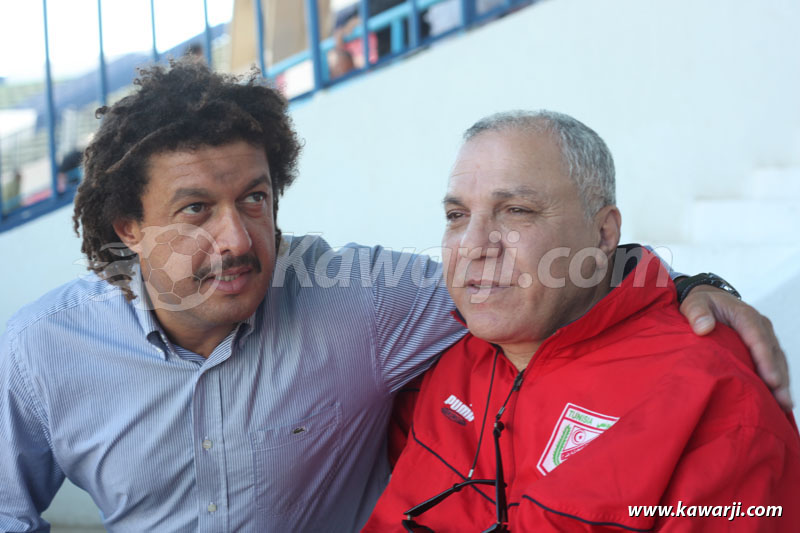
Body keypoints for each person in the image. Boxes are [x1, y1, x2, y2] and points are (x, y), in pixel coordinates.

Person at [0, 62, 789, 532]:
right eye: (196, 210)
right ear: (128, 225)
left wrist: (687, 286)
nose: (239, 239)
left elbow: (534, 282)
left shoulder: (361, 303)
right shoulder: (41, 353)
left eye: (256, 198)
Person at [363, 111, 800, 532]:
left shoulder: (712, 394)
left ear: (604, 233)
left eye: (516, 210)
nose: (474, 245)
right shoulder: (437, 359)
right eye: (457, 216)